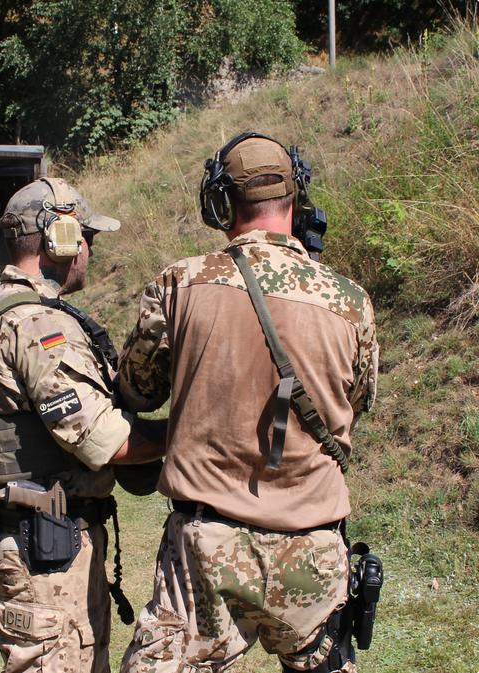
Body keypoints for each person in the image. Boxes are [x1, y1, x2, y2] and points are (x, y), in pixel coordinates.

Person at [116, 133, 379, 673]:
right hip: (314, 541)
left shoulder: (180, 283)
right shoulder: (351, 302)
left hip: (205, 549)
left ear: (220, 203)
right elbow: (355, 402)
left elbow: (138, 389)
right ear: (296, 197)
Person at [0, 177, 164, 673]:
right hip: (47, 551)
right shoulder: (39, 325)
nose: (89, 248)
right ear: (58, 236)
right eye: (85, 235)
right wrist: (190, 434)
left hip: (32, 535)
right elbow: (103, 441)